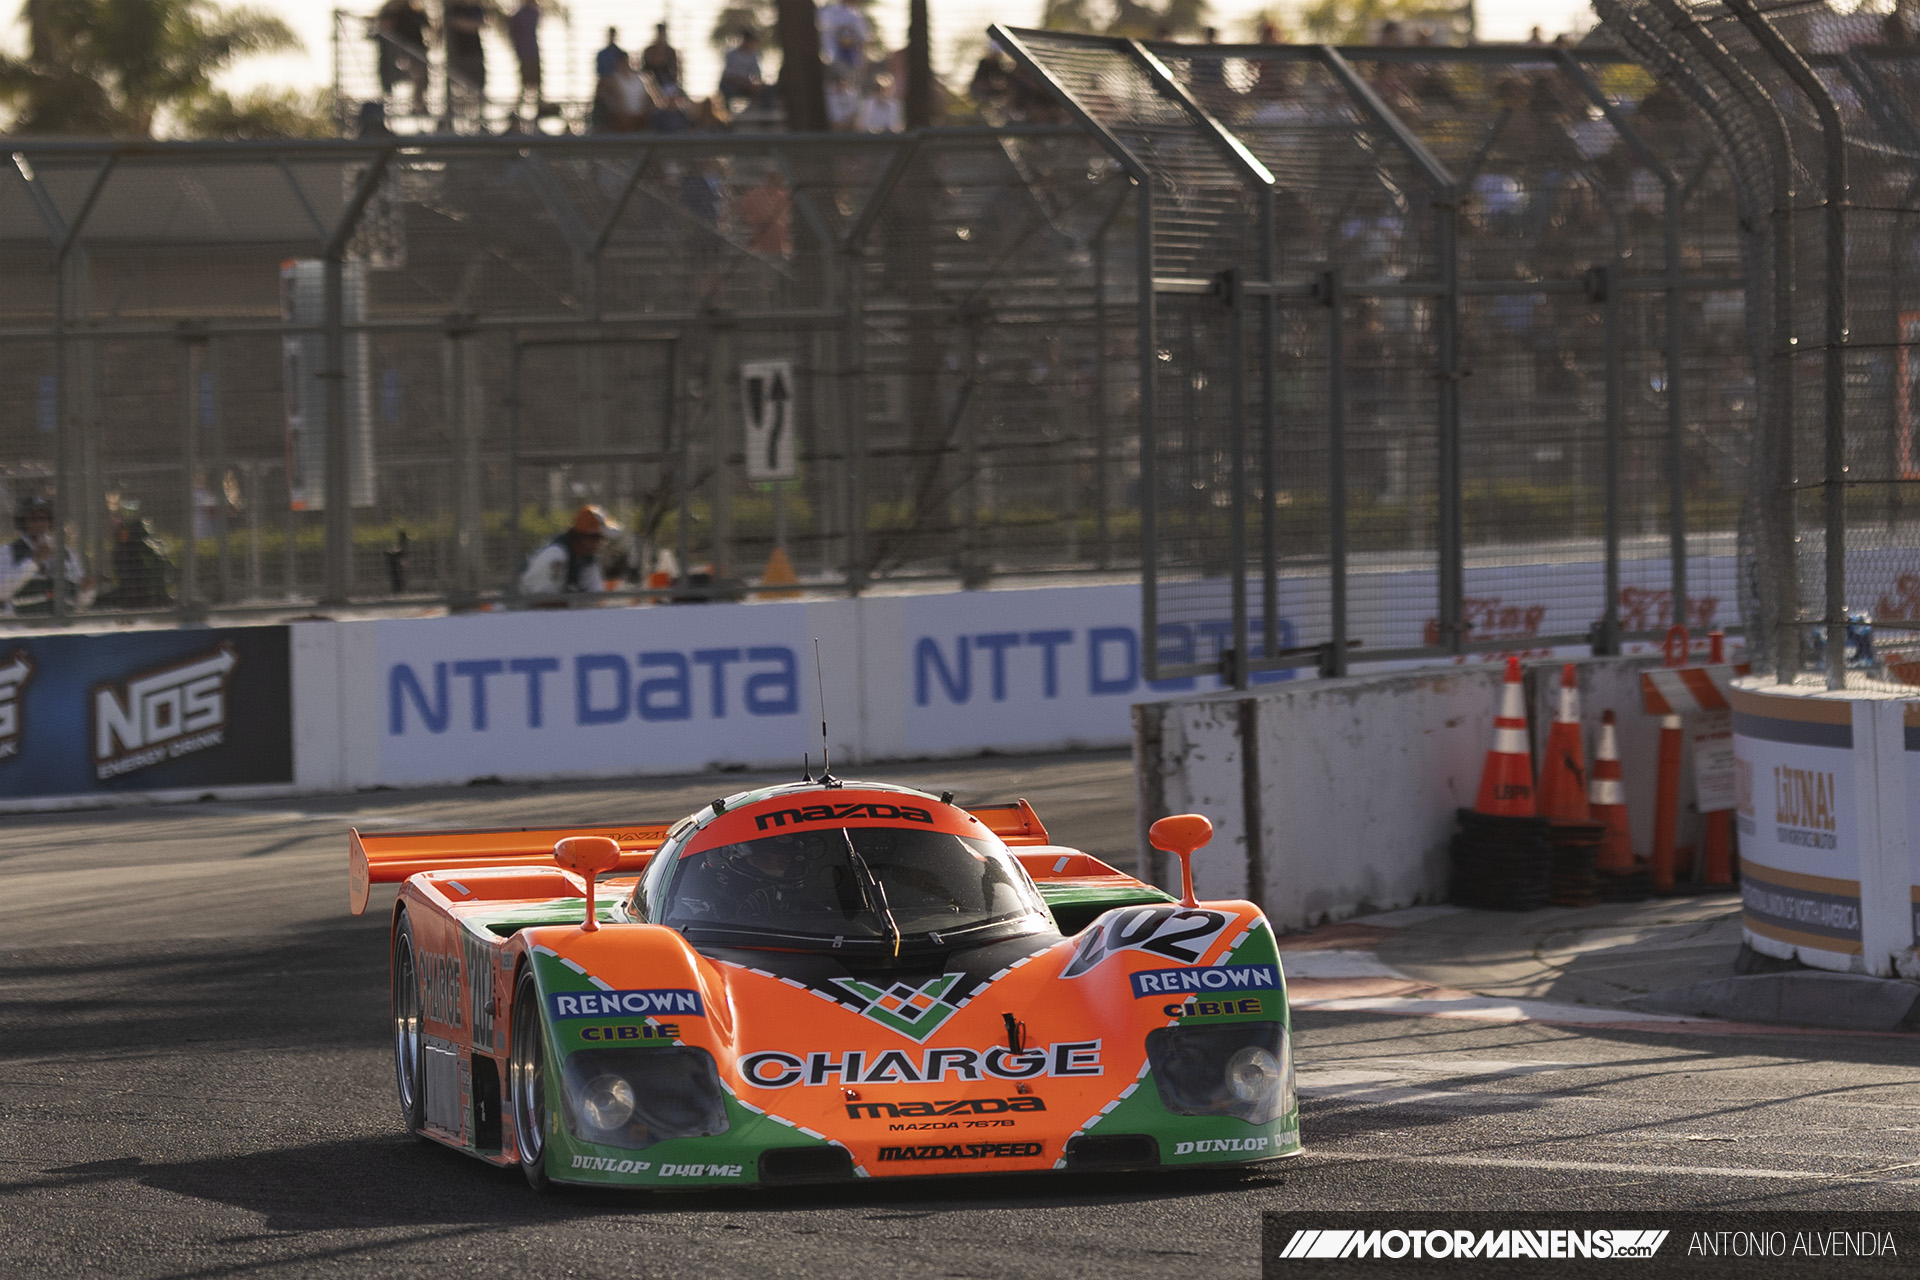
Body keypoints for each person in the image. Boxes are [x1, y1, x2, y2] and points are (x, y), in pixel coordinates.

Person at [1, 496, 95, 617]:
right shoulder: (9, 551)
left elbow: (81, 603)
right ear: (23, 522)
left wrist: (86, 591)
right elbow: (2, 592)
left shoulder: (68, 554)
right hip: (22, 628)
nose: (40, 524)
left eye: (44, 519)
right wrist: (34, 561)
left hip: (62, 627)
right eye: (33, 519)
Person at [518, 504, 620, 597]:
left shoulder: (587, 559)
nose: (601, 544)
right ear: (585, 538)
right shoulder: (555, 555)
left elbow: (596, 595)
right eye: (599, 538)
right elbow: (544, 602)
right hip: (522, 612)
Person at [376, 0, 432, 115]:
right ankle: (387, 110)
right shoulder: (390, 10)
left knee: (420, 76)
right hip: (396, 55)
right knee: (388, 81)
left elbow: (429, 27)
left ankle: (418, 105)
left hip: (417, 52)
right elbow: (383, 27)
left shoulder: (416, 10)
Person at [443, 1, 487, 123]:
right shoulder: (453, 8)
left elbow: (478, 24)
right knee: (460, 90)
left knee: (478, 87)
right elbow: (455, 23)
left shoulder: (476, 8)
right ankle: (461, 120)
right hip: (459, 56)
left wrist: (464, 24)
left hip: (476, 54)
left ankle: (477, 120)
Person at [507, 1, 543, 119]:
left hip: (533, 54)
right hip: (525, 55)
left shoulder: (534, 12)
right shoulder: (521, 15)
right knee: (525, 85)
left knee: (536, 85)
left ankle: (537, 112)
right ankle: (518, 113)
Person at [719, 29, 766, 108]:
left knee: (767, 90)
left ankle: (763, 114)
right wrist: (746, 85)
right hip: (730, 84)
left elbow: (756, 74)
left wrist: (758, 85)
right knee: (728, 90)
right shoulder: (732, 55)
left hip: (746, 84)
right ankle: (726, 113)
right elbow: (729, 77)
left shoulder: (753, 56)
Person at [641, 23, 681, 92]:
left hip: (668, 84)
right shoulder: (649, 51)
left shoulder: (670, 52)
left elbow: (675, 72)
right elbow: (645, 70)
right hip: (651, 84)